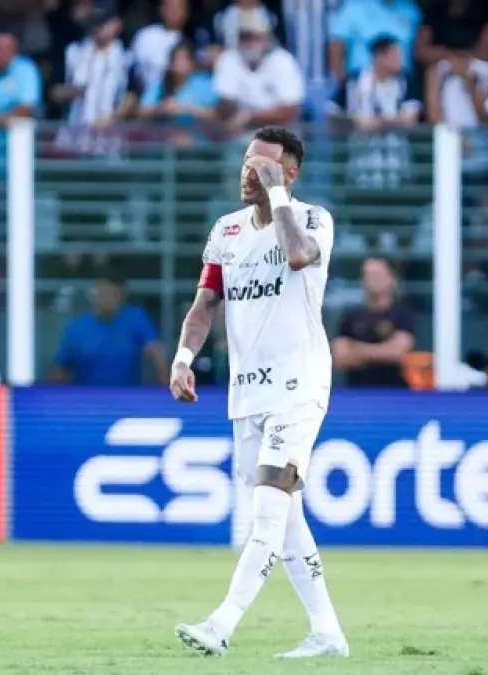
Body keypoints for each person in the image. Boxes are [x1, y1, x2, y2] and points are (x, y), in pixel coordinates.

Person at [169, 126, 347, 659]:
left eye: (263, 165)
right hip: (247, 392)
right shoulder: (226, 231)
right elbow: (204, 305)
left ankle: (221, 623)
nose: (249, 172)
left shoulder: (313, 220)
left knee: (268, 509)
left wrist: (277, 195)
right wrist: (183, 359)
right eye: (247, 161)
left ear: (290, 173)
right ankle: (327, 633)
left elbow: (297, 256)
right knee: (286, 518)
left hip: (300, 382)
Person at [332, 256, 415, 387]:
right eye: (367, 275)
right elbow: (340, 357)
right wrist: (382, 351)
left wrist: (356, 349)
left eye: (377, 274)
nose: (372, 280)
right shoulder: (351, 316)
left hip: (395, 392)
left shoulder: (403, 314)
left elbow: (398, 352)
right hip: (355, 393)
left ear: (392, 278)